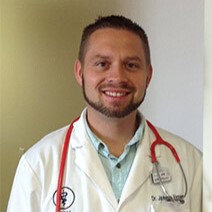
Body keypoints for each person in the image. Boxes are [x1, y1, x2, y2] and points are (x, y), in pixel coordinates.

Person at [7, 15, 202, 212]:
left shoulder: (192, 163)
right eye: (102, 64)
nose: (117, 77)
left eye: (131, 65)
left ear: (148, 75)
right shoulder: (37, 164)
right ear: (79, 72)